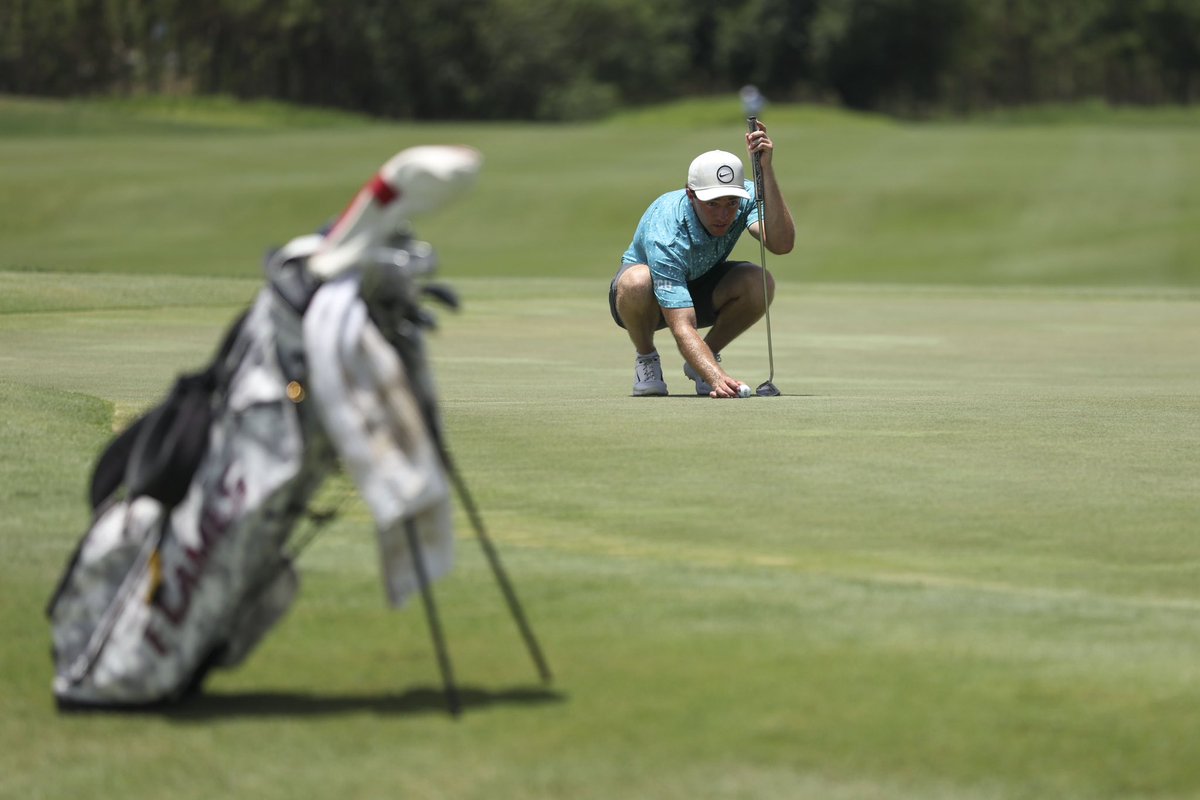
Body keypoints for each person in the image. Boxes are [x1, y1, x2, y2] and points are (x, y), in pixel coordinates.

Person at [609, 120, 795, 398]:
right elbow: (682, 324)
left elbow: (781, 244)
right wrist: (717, 378)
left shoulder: (743, 198)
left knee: (759, 282)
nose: (723, 215)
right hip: (644, 303)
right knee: (637, 281)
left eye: (730, 203)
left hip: (700, 285)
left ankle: (703, 361)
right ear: (691, 194)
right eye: (712, 204)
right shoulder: (667, 230)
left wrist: (766, 170)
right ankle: (646, 358)